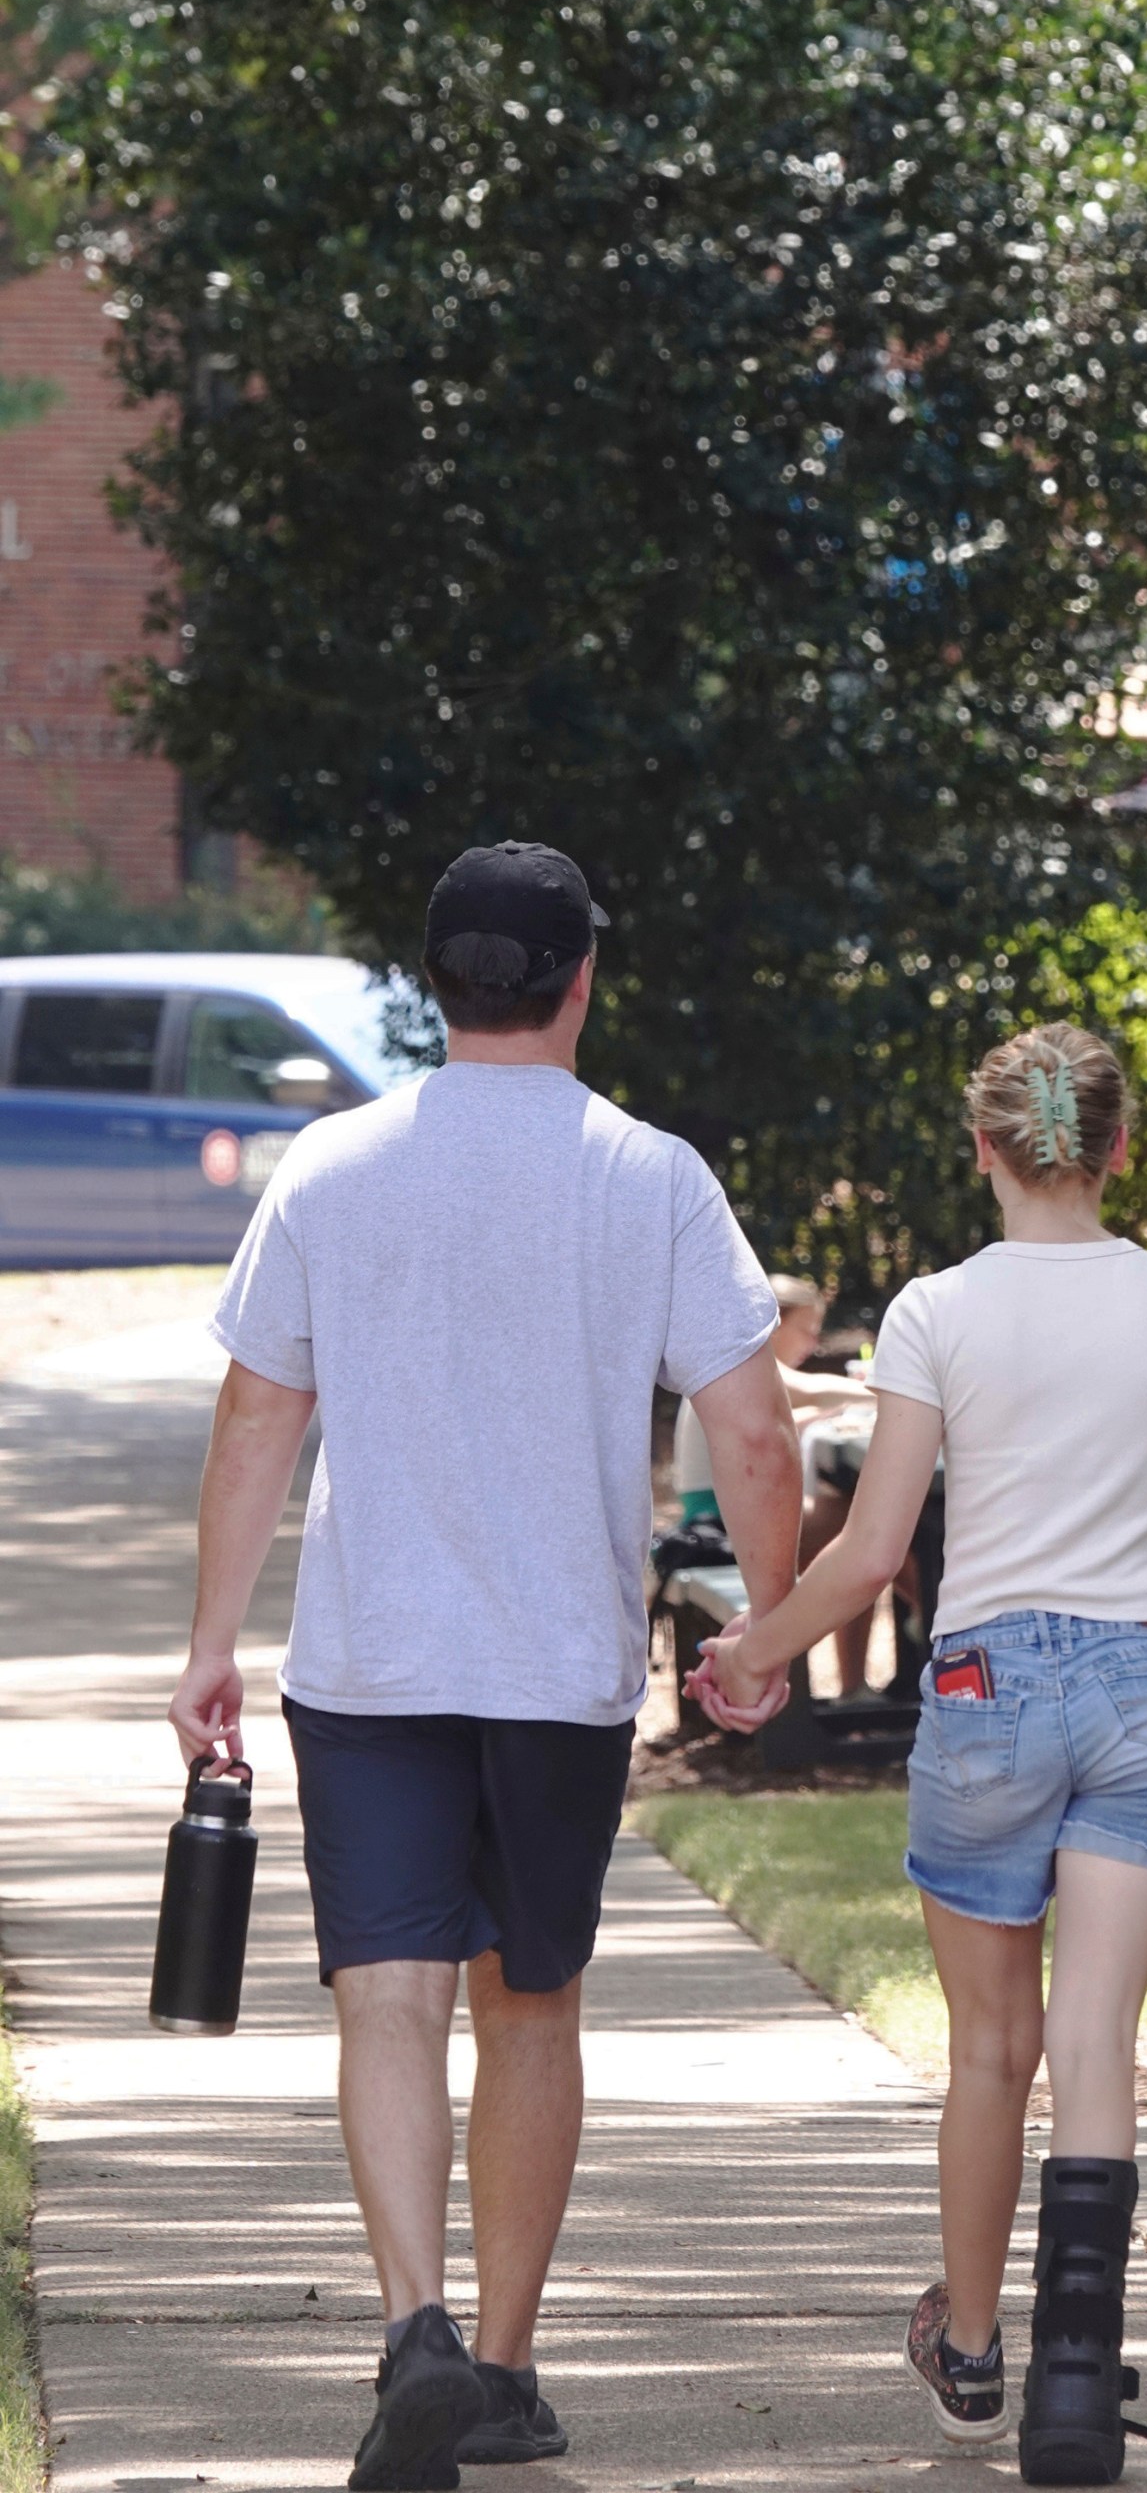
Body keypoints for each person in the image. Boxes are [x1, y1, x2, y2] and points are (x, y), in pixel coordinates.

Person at [167, 840, 802, 2493]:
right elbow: (751, 1425)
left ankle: (413, 2334)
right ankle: (501, 2371)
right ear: (583, 976)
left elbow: (256, 1416)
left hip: (368, 1659)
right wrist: (769, 1625)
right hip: (558, 1667)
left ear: (436, 981)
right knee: (528, 2006)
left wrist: (210, 1644)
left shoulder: (331, 1167)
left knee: (384, 1996)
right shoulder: (651, 1176)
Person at [694, 1024, 1147, 2485]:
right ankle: (1080, 2389)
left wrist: (753, 1652)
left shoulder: (937, 1311)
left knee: (992, 2049)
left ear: (984, 1148)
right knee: (1092, 2044)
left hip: (987, 1685)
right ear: (1121, 1148)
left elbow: (875, 1555)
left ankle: (972, 2354)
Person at [674, 1274, 905, 1700]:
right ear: (775, 1323)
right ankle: (875, 1664)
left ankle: (871, 1671)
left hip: (724, 1514)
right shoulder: (742, 1361)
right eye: (809, 1328)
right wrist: (892, 1392)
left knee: (859, 1523)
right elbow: (813, 1392)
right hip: (721, 1523)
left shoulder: (735, 1367)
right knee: (860, 1528)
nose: (815, 1342)